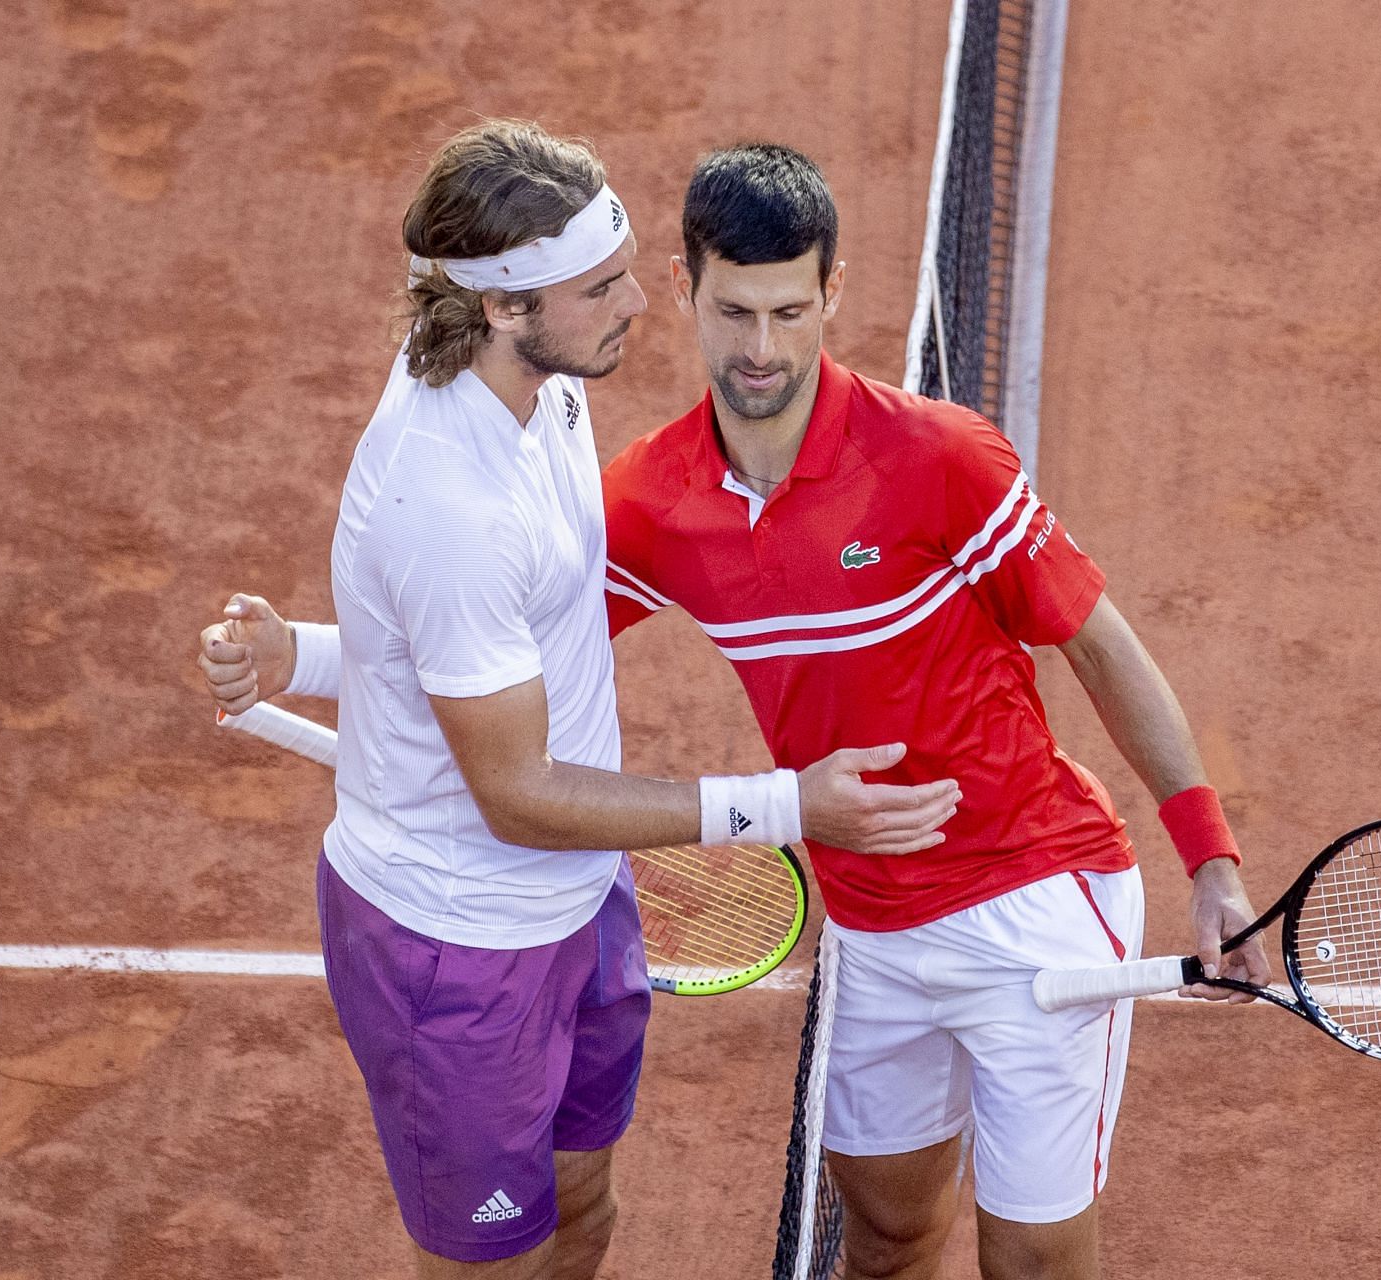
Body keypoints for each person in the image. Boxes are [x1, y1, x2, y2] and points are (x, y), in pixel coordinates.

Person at [195, 120, 958, 1280]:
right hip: (458, 951)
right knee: (494, 1262)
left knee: (585, 1213)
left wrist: (299, 654)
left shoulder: (537, 382)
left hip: (578, 902)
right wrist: (783, 806)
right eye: (599, 287)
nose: (635, 305)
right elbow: (517, 791)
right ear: (503, 307)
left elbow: (461, 645)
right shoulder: (447, 497)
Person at [598, 144, 1272, 1280]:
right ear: (682, 289)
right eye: (733, 311)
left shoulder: (940, 457)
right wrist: (314, 654)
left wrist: (1212, 858)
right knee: (891, 1237)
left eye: (790, 311)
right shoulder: (653, 501)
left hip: (1033, 897)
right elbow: (498, 634)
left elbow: (1102, 647)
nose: (761, 349)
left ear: (835, 294)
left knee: (1033, 1262)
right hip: (870, 928)